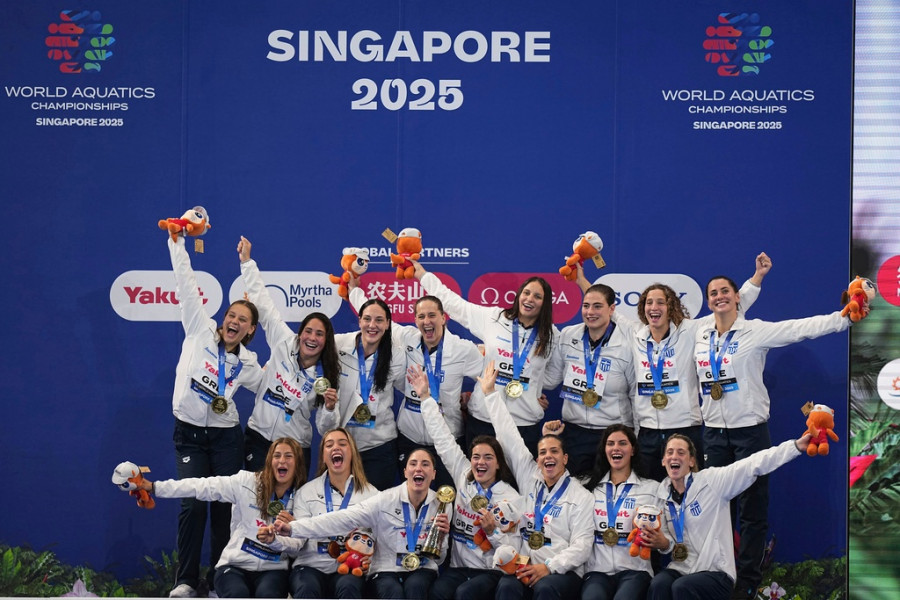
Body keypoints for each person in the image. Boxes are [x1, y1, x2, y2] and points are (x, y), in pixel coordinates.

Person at [694, 273, 852, 598]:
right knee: (715, 509)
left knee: (752, 511)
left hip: (749, 432)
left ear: (738, 297)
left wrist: (842, 319)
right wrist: (754, 281)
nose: (720, 297)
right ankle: (715, 575)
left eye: (726, 291)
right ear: (708, 301)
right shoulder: (698, 332)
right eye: (713, 293)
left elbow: (798, 329)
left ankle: (748, 583)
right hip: (712, 433)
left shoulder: (756, 331)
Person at [576, 254, 771, 481]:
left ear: (671, 306)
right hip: (648, 434)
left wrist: (757, 278)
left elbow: (728, 307)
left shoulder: (691, 331)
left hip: (685, 431)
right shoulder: (635, 333)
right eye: (649, 302)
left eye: (660, 302)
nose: (654, 307)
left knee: (689, 496)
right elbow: (607, 308)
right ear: (643, 307)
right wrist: (581, 281)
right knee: (651, 496)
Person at [166, 231, 264, 597]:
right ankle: (186, 581)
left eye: (243, 319)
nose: (233, 321)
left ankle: (221, 579)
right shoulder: (198, 329)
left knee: (226, 508)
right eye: (231, 315)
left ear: (251, 330)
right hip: (189, 435)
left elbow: (278, 385)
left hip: (226, 439)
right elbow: (186, 282)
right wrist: (177, 243)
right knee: (193, 506)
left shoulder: (250, 363)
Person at [414, 261, 564, 454]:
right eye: (526, 293)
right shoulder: (495, 318)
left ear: (545, 303)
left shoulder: (552, 335)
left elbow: (551, 378)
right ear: (519, 295)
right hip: (484, 420)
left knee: (521, 482)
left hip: (523, 423)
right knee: (478, 480)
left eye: (537, 296)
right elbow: (455, 305)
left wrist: (532, 391)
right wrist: (424, 276)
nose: (530, 299)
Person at [348, 277, 484, 488]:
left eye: (432, 315)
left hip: (447, 441)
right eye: (421, 316)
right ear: (415, 320)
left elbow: (491, 376)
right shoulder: (408, 339)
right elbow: (376, 316)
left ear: (443, 318)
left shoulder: (463, 350)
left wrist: (525, 393)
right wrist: (353, 290)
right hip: (409, 439)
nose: (426, 321)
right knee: (411, 502)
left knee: (444, 502)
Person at [643, 433, 813, 600]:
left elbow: (752, 464)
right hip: (682, 567)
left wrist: (795, 447)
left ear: (692, 461)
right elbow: (667, 543)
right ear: (663, 461)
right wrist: (663, 544)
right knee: (659, 584)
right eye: (670, 452)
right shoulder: (661, 495)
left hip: (716, 572)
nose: (675, 457)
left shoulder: (712, 481)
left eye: (681, 453)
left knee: (682, 586)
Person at [266, 448, 451, 600]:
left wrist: (441, 539)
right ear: (405, 472)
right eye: (413, 464)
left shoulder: (442, 505)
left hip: (422, 569)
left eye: (425, 464)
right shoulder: (384, 499)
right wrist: (293, 528)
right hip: (386, 569)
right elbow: (342, 518)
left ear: (433, 474)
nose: (419, 469)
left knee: (416, 587)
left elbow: (440, 558)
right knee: (392, 592)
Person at [134, 438, 306, 598]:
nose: (282, 461)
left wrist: (289, 531)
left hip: (273, 569)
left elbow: (298, 546)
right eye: (277, 456)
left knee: (267, 594)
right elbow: (200, 486)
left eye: (288, 456)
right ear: (269, 461)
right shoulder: (246, 482)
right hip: (235, 566)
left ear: (298, 463)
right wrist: (155, 487)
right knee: (237, 594)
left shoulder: (303, 496)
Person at [481, 361, 594, 600]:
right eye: (542, 452)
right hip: (526, 564)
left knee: (544, 588)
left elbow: (582, 546)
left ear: (565, 458)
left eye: (554, 452)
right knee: (507, 586)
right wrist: (490, 394)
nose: (547, 456)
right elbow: (508, 435)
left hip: (563, 572)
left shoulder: (581, 496)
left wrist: (549, 567)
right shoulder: (529, 476)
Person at [408, 366, 522, 600]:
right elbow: (442, 439)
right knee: (438, 592)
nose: (480, 462)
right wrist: (425, 397)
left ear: (499, 463)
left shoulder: (512, 498)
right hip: (458, 569)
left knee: (464, 594)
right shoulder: (463, 476)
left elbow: (514, 550)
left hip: (490, 571)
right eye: (476, 457)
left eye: (488, 457)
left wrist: (493, 533)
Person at [238, 237, 341, 473]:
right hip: (259, 438)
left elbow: (325, 427)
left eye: (319, 335)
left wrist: (329, 408)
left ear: (326, 342)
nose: (312, 338)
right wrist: (247, 262)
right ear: (300, 333)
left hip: (295, 448)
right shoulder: (284, 341)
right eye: (308, 331)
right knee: (255, 502)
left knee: (289, 509)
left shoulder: (328, 375)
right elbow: (263, 304)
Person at [267, 428, 379, 599]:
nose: (336, 448)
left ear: (352, 453)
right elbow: (296, 545)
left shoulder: (372, 495)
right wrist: (286, 533)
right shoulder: (306, 492)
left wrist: (370, 562)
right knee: (306, 587)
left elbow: (381, 541)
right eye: (329, 445)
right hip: (311, 566)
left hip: (349, 567)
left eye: (343, 444)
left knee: (349, 586)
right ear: (323, 456)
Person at [552, 283, 635, 477]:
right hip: (574, 433)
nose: (590, 312)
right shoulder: (568, 336)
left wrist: (635, 436)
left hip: (612, 434)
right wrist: (531, 395)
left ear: (612, 309)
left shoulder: (626, 344)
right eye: (586, 306)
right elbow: (550, 378)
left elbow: (635, 394)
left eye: (597, 306)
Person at [575, 423, 659, 600]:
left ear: (633, 449)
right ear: (604, 450)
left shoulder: (652, 489)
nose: (616, 448)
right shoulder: (587, 487)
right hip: (597, 571)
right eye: (610, 443)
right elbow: (553, 473)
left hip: (635, 569)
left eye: (622, 443)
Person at [332, 297, 405, 491]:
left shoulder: (396, 355)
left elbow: (410, 387)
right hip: (343, 446)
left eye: (379, 320)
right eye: (367, 319)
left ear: (388, 324)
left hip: (379, 447)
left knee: (376, 512)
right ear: (359, 321)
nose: (372, 325)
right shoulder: (339, 344)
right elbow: (305, 345)